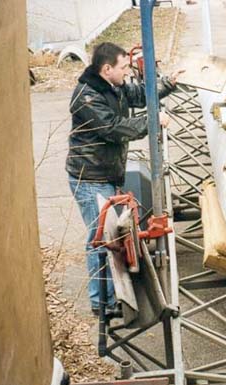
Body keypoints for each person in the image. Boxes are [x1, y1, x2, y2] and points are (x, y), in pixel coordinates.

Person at [66, 42, 180, 314]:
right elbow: (113, 128)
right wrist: (152, 121)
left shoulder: (112, 87)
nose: (127, 72)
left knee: (109, 238)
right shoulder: (86, 96)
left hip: (105, 174)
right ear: (107, 69)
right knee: (101, 241)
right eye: (124, 67)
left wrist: (169, 83)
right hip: (90, 177)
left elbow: (139, 94)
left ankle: (109, 298)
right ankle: (101, 304)